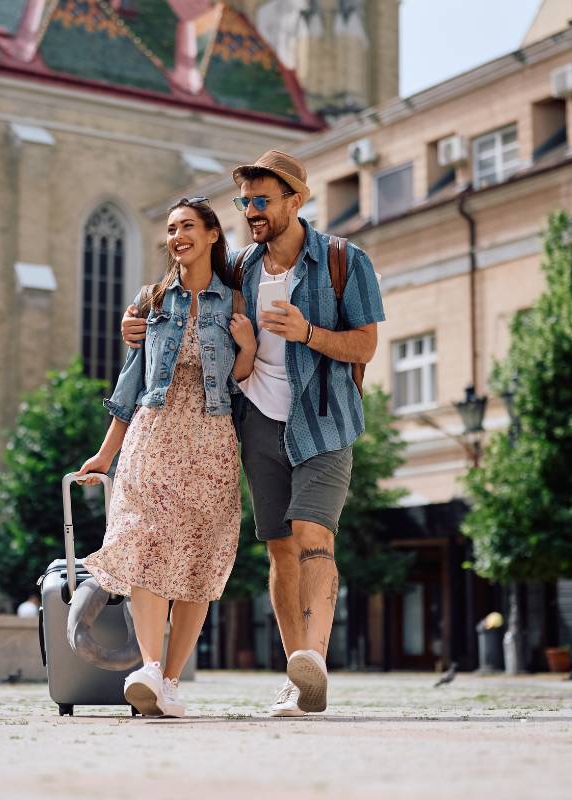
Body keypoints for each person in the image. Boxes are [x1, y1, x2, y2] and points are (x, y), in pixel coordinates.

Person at [122, 151, 385, 717]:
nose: (252, 211)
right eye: (245, 203)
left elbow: (364, 344)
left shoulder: (344, 260)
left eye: (262, 201)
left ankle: (313, 657)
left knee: (314, 533)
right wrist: (137, 320)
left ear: (295, 200)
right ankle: (298, 678)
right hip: (259, 422)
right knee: (281, 550)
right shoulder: (239, 267)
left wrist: (309, 331)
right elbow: (182, 297)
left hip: (325, 419)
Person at [78, 197, 257, 718]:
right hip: (152, 437)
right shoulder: (152, 299)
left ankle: (171, 683)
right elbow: (130, 382)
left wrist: (245, 349)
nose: (176, 236)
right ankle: (151, 669)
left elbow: (243, 381)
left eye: (186, 227)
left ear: (211, 236)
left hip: (211, 439)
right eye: (171, 229)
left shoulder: (236, 300)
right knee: (144, 546)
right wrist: (106, 454)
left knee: (199, 560)